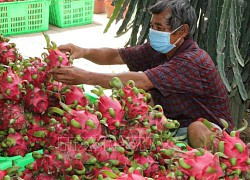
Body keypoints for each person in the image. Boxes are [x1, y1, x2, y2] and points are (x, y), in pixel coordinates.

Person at [50, 0, 234, 148]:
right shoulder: (159, 49)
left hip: (209, 130)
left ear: (183, 31)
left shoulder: (193, 60)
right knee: (135, 97)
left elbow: (143, 81)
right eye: (152, 26)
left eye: (160, 28)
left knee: (196, 129)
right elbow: (116, 55)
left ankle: (215, 169)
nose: (153, 32)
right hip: (174, 125)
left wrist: (86, 77)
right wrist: (83, 51)